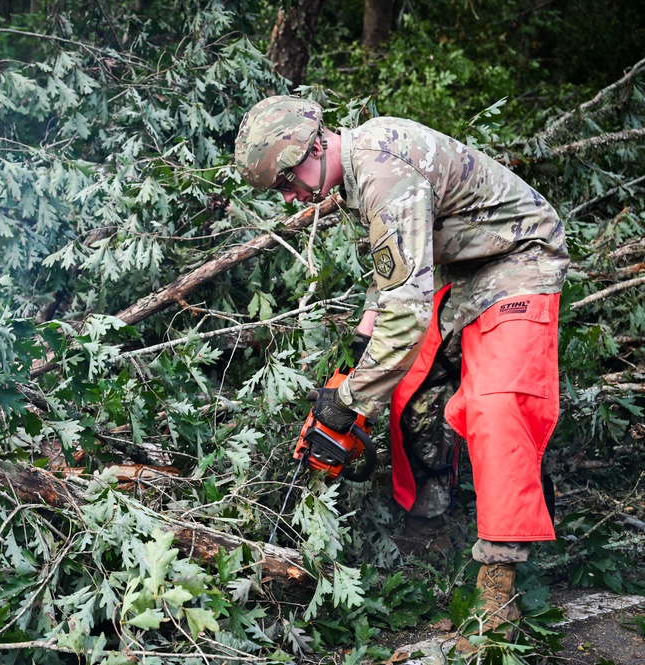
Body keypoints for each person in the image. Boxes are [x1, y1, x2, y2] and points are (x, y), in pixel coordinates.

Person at [234, 96, 569, 655]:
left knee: (495, 407)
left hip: (519, 256)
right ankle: (431, 523)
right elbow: (390, 276)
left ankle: (498, 598)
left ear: (314, 148)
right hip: (461, 268)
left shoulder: (383, 167)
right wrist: (356, 357)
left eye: (289, 182)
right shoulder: (355, 180)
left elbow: (407, 311)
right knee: (413, 385)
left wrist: (349, 402)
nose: (291, 197)